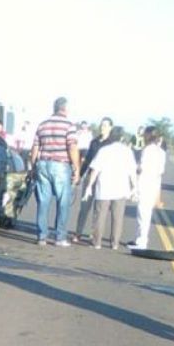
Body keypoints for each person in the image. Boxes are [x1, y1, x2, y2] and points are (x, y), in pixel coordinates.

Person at [30, 97, 80, 246]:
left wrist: (33, 166)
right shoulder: (69, 125)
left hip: (43, 164)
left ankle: (41, 236)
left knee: (43, 202)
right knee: (63, 202)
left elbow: (35, 147)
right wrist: (76, 168)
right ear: (65, 108)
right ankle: (60, 237)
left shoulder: (42, 125)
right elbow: (72, 147)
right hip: (60, 165)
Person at [82, 126, 137, 250]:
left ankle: (97, 242)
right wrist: (135, 188)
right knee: (118, 218)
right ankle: (115, 243)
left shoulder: (104, 150)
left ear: (111, 136)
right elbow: (132, 171)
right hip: (121, 189)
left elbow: (95, 170)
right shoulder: (127, 151)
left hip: (104, 188)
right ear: (122, 138)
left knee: (100, 216)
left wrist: (89, 186)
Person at [72, 117, 113, 243]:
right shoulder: (94, 142)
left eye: (106, 125)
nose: (103, 127)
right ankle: (78, 232)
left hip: (104, 178)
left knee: (99, 209)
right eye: (102, 125)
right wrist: (80, 174)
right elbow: (88, 159)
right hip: (90, 176)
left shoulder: (111, 143)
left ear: (110, 127)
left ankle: (93, 234)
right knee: (85, 206)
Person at [130, 126, 167, 249]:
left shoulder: (147, 150)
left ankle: (141, 241)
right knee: (145, 213)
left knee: (143, 214)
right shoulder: (161, 152)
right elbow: (160, 173)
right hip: (154, 184)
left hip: (144, 183)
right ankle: (138, 238)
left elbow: (141, 169)